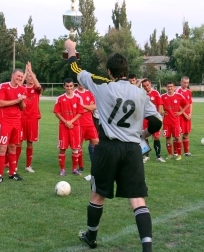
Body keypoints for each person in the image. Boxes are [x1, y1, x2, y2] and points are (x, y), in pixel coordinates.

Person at [65, 38, 162, 252]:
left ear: (109, 71)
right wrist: (142, 136)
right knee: (137, 200)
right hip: (131, 149)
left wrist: (71, 49)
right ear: (127, 70)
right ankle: (147, 248)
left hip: (107, 147)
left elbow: (75, 69)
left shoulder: (102, 86)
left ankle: (91, 237)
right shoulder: (141, 92)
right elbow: (156, 121)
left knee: (98, 195)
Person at [0, 68, 27, 183]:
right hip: (5, 122)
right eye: (18, 76)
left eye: (21, 77)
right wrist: (17, 100)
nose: (19, 78)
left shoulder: (23, 89)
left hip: (16, 122)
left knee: (13, 147)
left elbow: (22, 108)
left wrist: (21, 101)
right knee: (3, 148)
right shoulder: (3, 86)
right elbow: (0, 103)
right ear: (12, 75)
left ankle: (12, 174)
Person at [53, 78, 84, 176]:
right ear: (64, 86)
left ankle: (74, 169)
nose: (69, 88)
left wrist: (71, 121)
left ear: (73, 86)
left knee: (75, 148)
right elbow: (57, 112)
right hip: (63, 126)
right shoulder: (60, 98)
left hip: (75, 126)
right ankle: (62, 169)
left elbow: (80, 112)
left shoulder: (78, 98)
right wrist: (65, 121)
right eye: (67, 86)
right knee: (62, 148)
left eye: (71, 86)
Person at [16, 62, 41, 173]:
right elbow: (18, 85)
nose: (31, 78)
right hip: (21, 118)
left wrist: (31, 71)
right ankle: (14, 165)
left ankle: (28, 166)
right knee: (18, 142)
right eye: (29, 77)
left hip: (32, 118)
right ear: (26, 78)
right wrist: (26, 72)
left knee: (30, 142)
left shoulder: (36, 89)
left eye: (32, 77)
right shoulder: (22, 88)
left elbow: (38, 85)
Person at [160, 82, 189, 160]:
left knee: (177, 137)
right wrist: (161, 112)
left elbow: (187, 104)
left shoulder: (178, 96)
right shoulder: (162, 96)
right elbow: (158, 105)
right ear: (166, 87)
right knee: (167, 138)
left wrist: (181, 112)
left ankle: (179, 155)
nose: (170, 88)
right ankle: (170, 154)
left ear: (174, 87)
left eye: (171, 87)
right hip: (166, 122)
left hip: (175, 121)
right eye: (168, 86)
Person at [74, 83, 99, 171]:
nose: (81, 84)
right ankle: (81, 166)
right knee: (78, 145)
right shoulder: (74, 93)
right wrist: (89, 107)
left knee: (96, 142)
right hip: (78, 123)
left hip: (89, 123)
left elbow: (95, 106)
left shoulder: (89, 93)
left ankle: (95, 163)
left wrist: (83, 106)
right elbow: (76, 109)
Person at [141, 79, 165, 162]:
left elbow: (160, 105)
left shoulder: (155, 93)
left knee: (157, 137)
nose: (146, 87)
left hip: (154, 119)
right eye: (144, 86)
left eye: (147, 85)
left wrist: (158, 117)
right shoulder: (141, 94)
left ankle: (158, 156)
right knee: (144, 137)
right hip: (144, 119)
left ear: (150, 84)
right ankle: (146, 156)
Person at [176, 76, 193, 156]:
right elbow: (178, 105)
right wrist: (185, 114)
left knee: (186, 134)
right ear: (181, 82)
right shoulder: (178, 91)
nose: (186, 84)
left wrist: (190, 114)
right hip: (180, 116)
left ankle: (186, 152)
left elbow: (190, 103)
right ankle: (176, 152)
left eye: (187, 83)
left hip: (187, 116)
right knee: (177, 134)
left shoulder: (189, 91)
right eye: (184, 82)